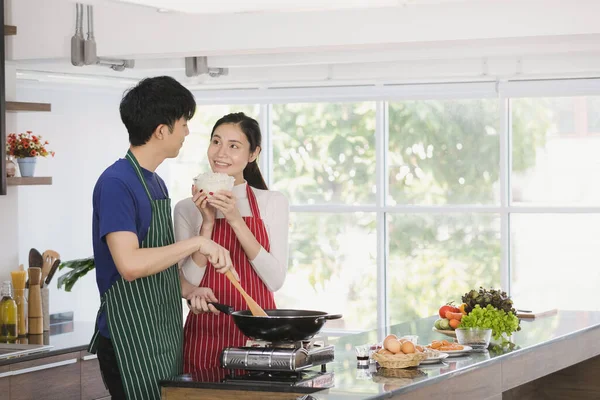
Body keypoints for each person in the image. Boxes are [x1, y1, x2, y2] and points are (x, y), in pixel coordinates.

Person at [88, 76, 235, 400]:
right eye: (183, 123)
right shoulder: (116, 183)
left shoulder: (155, 183)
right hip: (129, 339)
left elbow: (160, 264)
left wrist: (190, 289)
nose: (186, 131)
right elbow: (129, 264)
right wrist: (199, 244)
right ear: (161, 130)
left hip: (162, 335)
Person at [174, 112, 289, 373]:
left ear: (253, 154)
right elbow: (188, 284)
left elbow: (274, 280)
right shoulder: (186, 208)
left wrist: (235, 219)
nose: (221, 153)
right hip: (204, 335)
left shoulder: (272, 202)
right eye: (216, 142)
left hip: (258, 336)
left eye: (234, 146)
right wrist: (208, 224)